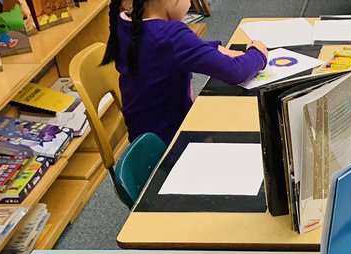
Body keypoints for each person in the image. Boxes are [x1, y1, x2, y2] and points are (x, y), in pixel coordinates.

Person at [103, 0, 268, 145]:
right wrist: (259, 53)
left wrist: (215, 48)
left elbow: (161, 51)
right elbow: (236, 71)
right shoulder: (172, 35)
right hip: (172, 141)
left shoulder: (126, 22)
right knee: (248, 127)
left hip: (145, 139)